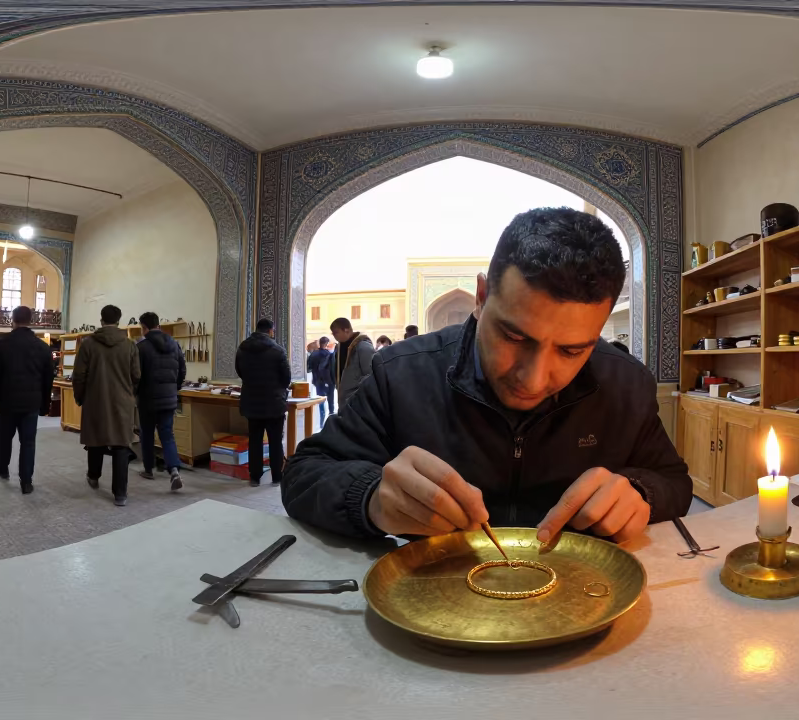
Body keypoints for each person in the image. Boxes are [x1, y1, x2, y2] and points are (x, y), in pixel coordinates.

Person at [283, 207, 691, 542]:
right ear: (480, 298)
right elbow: (305, 473)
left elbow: (673, 480)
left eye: (571, 350)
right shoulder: (401, 373)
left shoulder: (625, 384)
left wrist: (640, 493)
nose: (532, 380)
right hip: (431, 604)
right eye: (514, 336)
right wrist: (369, 496)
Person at [73, 305, 141, 506]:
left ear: (101, 320)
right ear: (119, 320)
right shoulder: (130, 345)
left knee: (95, 440)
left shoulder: (88, 345)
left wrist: (80, 397)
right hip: (122, 402)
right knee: (121, 445)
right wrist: (129, 394)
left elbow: (79, 376)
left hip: (95, 400)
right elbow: (137, 376)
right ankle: (120, 493)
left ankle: (93, 476)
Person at [0, 305, 56, 495]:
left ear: (13, 320)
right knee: (28, 442)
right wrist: (45, 404)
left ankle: (2, 467)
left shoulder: (2, 344)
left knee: (5, 438)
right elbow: (48, 378)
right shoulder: (42, 346)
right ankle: (26, 481)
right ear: (31, 321)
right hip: (31, 402)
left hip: (6, 401)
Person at [234, 318, 291, 486]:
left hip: (252, 402)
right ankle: (277, 476)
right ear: (271, 331)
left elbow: (240, 371)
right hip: (274, 403)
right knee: (275, 440)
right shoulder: (278, 350)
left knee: (255, 440)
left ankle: (255, 477)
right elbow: (286, 378)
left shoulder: (243, 348)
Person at [136, 311, 186, 491]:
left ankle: (148, 469)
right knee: (167, 434)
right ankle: (173, 470)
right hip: (169, 398)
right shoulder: (174, 344)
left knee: (147, 434)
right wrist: (174, 388)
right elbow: (182, 370)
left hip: (147, 400)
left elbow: (136, 376)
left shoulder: (141, 347)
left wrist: (137, 392)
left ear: (145, 327)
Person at [329, 316, 373, 408]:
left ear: (347, 330)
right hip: (343, 398)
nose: (334, 336)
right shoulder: (339, 347)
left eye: (336, 332)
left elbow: (370, 375)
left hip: (358, 400)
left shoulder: (363, 347)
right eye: (333, 333)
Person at [306, 336, 335, 425]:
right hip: (329, 381)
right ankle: (331, 421)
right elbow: (333, 368)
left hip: (318, 380)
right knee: (331, 401)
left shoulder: (314, 354)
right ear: (326, 344)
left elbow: (308, 368)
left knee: (321, 400)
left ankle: (321, 422)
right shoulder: (329, 354)